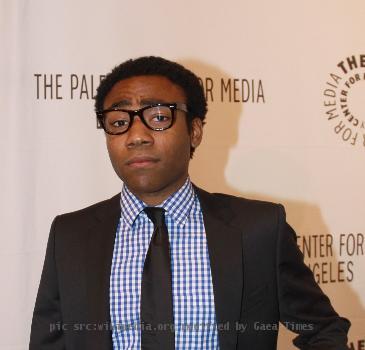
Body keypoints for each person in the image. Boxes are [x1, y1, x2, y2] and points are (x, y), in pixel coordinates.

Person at [29, 56, 350, 350]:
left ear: (194, 131)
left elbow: (323, 330)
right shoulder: (69, 235)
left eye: (157, 117)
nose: (136, 135)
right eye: (118, 122)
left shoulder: (258, 230)